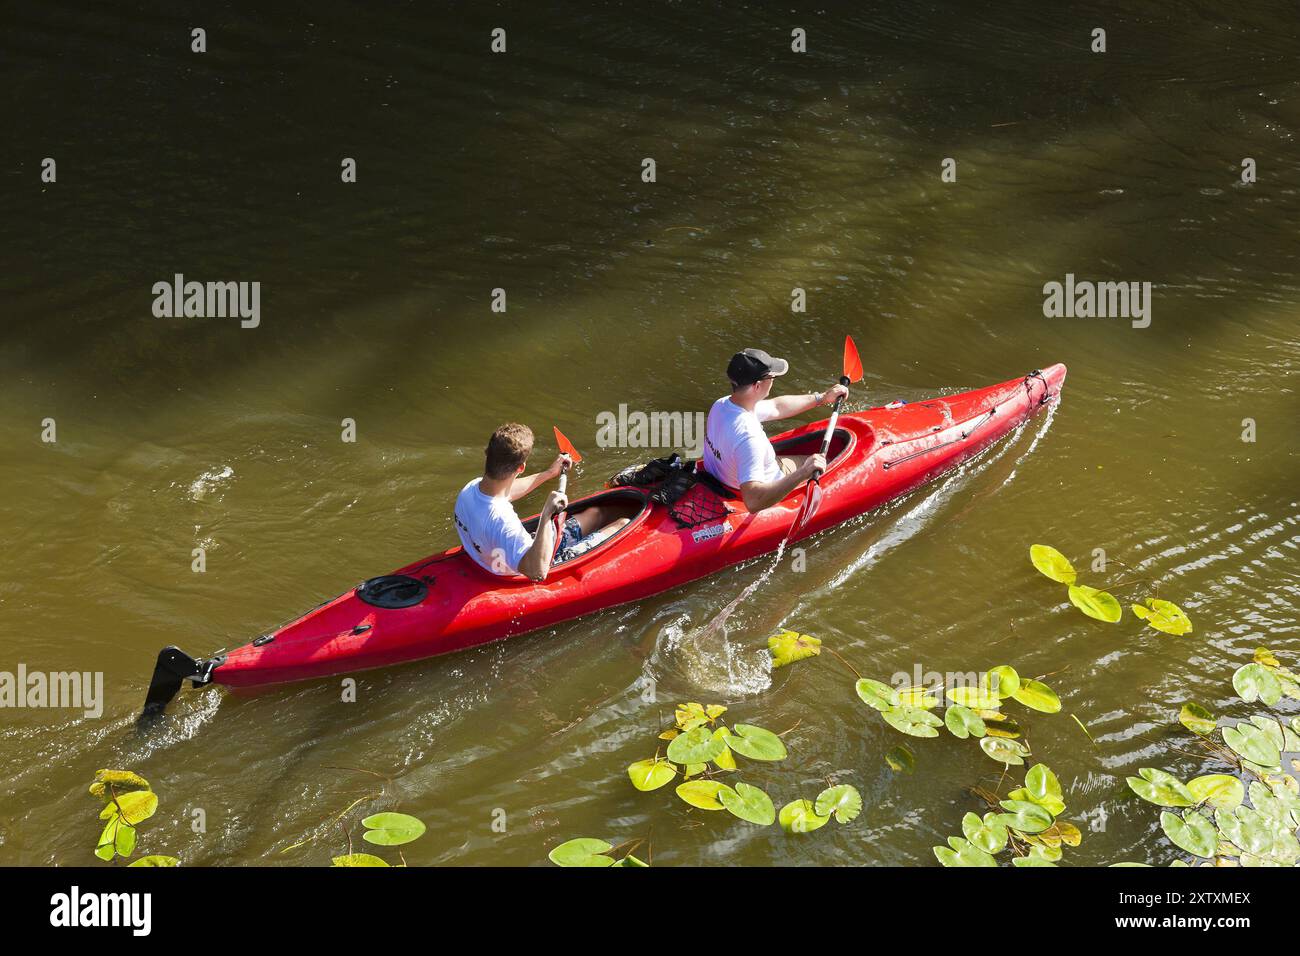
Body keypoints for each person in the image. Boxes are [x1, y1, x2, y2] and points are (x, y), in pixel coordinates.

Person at [455, 423, 628, 580]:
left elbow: (507, 490)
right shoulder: (503, 521)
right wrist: (546, 514)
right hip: (531, 563)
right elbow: (537, 572)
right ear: (521, 467)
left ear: (488, 454)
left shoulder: (470, 489)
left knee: (596, 514)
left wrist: (549, 473)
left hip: (490, 557)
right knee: (623, 523)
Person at [702, 348, 849, 513]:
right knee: (831, 461)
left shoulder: (722, 405)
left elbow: (776, 407)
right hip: (754, 492)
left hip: (723, 479)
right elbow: (753, 502)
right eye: (772, 377)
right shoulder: (750, 438)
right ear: (757, 386)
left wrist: (822, 398)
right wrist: (803, 472)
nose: (774, 381)